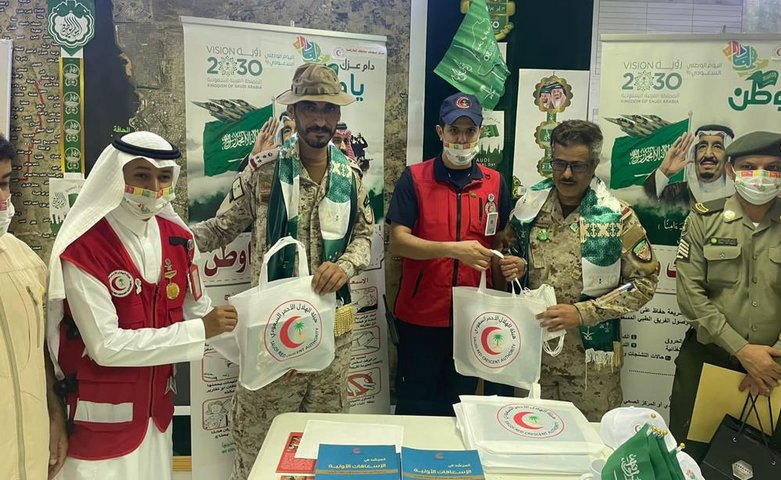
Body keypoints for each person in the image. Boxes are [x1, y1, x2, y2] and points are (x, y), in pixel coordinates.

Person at [190, 63, 374, 480]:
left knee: (323, 446)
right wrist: (164, 238)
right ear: (293, 112)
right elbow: (220, 229)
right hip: (272, 338)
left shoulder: (349, 176)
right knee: (260, 447)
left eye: (328, 109)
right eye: (310, 108)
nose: (320, 119)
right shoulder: (264, 170)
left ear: (337, 114)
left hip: (332, 338)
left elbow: (364, 236)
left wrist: (345, 266)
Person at [46, 132, 238, 480]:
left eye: (163, 177)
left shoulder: (178, 240)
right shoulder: (84, 247)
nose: (154, 187)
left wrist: (265, 353)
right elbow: (106, 346)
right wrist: (199, 330)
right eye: (141, 175)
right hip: (98, 430)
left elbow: (202, 312)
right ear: (116, 175)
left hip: (157, 422)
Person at [503, 120, 658, 421]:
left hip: (590, 369)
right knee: (530, 439)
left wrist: (583, 313)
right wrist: (519, 266)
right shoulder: (528, 208)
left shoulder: (617, 216)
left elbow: (644, 283)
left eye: (577, 166)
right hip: (533, 359)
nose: (566, 174)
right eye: (559, 163)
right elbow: (511, 250)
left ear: (594, 164)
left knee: (592, 441)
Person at [671, 131, 781, 470]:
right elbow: (690, 295)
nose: (761, 176)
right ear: (731, 170)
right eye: (749, 166)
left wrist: (774, 363)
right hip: (711, 362)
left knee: (778, 466)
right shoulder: (703, 220)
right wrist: (742, 350)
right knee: (692, 460)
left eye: (773, 167)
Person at [387, 92, 514, 416]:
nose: (461, 139)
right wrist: (453, 250)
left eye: (469, 131)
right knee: (416, 409)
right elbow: (398, 242)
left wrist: (510, 267)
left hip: (472, 319)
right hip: (421, 317)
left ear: (480, 133)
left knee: (462, 410)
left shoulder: (495, 183)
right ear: (440, 131)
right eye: (454, 130)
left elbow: (500, 242)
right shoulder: (414, 178)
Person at [0, 134, 68, 479]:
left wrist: (55, 416)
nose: (2, 199)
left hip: (29, 459)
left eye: (4, 184)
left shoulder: (25, 261)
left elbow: (40, 354)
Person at [644, 125, 735, 206]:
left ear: (728, 157)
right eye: (702, 146)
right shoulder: (677, 193)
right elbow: (643, 204)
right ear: (694, 154)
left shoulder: (738, 196)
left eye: (717, 147)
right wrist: (664, 171)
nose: (708, 154)